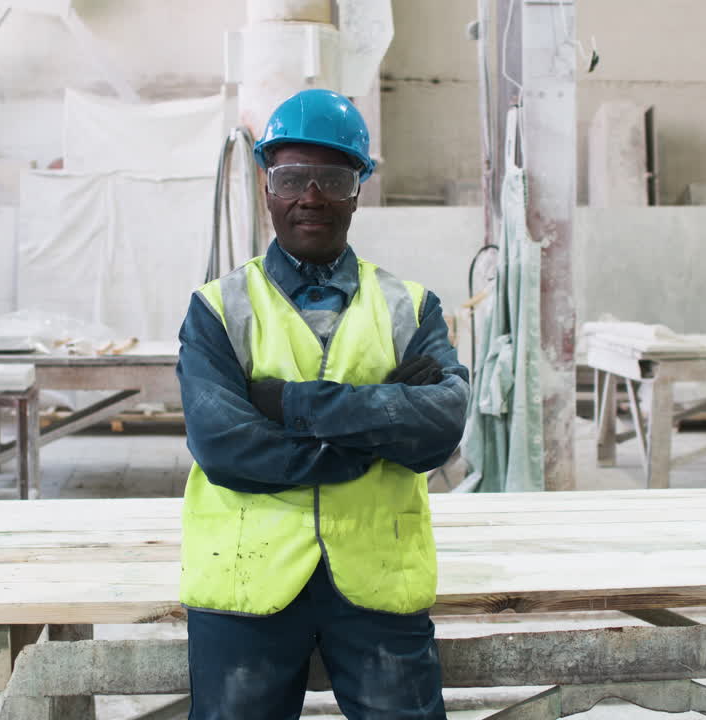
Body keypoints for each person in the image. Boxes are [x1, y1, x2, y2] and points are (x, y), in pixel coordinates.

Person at [176, 88, 470, 720]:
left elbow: (440, 429)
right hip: (246, 581)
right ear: (267, 187)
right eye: (292, 177)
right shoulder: (219, 308)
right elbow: (224, 447)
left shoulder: (410, 306)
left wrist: (290, 404)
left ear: (358, 188)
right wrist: (375, 428)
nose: (311, 195)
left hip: (378, 575)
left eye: (333, 178)